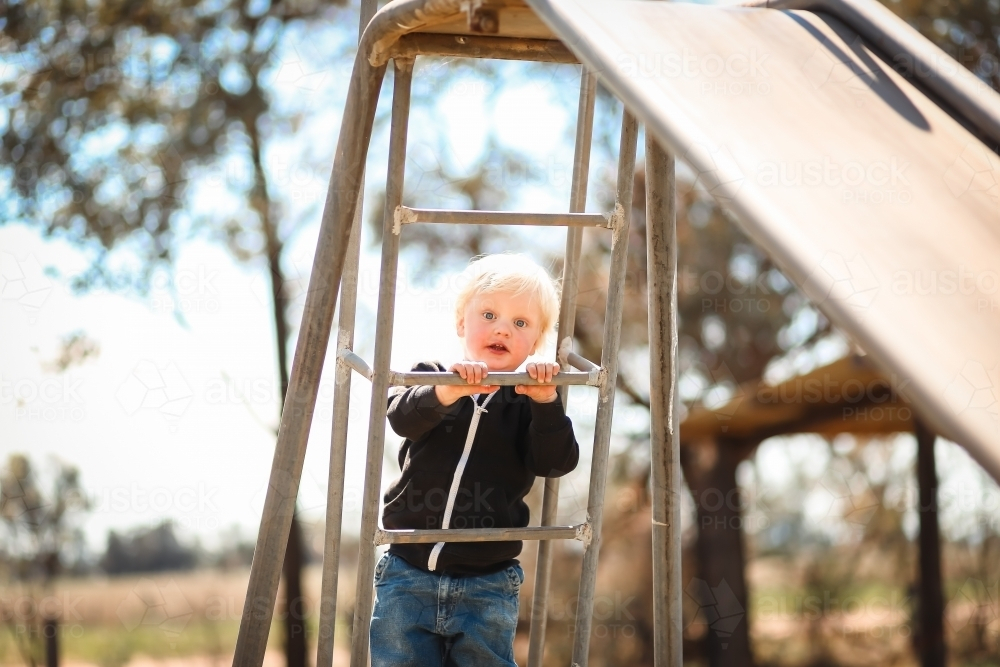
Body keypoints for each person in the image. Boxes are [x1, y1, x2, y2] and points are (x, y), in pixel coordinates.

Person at [370, 253, 581, 667]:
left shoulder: (527, 404)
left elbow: (555, 462)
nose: (503, 327)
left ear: (536, 343)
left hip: (488, 581)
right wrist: (448, 390)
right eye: (489, 314)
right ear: (462, 323)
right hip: (407, 571)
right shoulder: (432, 375)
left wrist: (547, 402)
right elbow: (399, 417)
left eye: (521, 324)